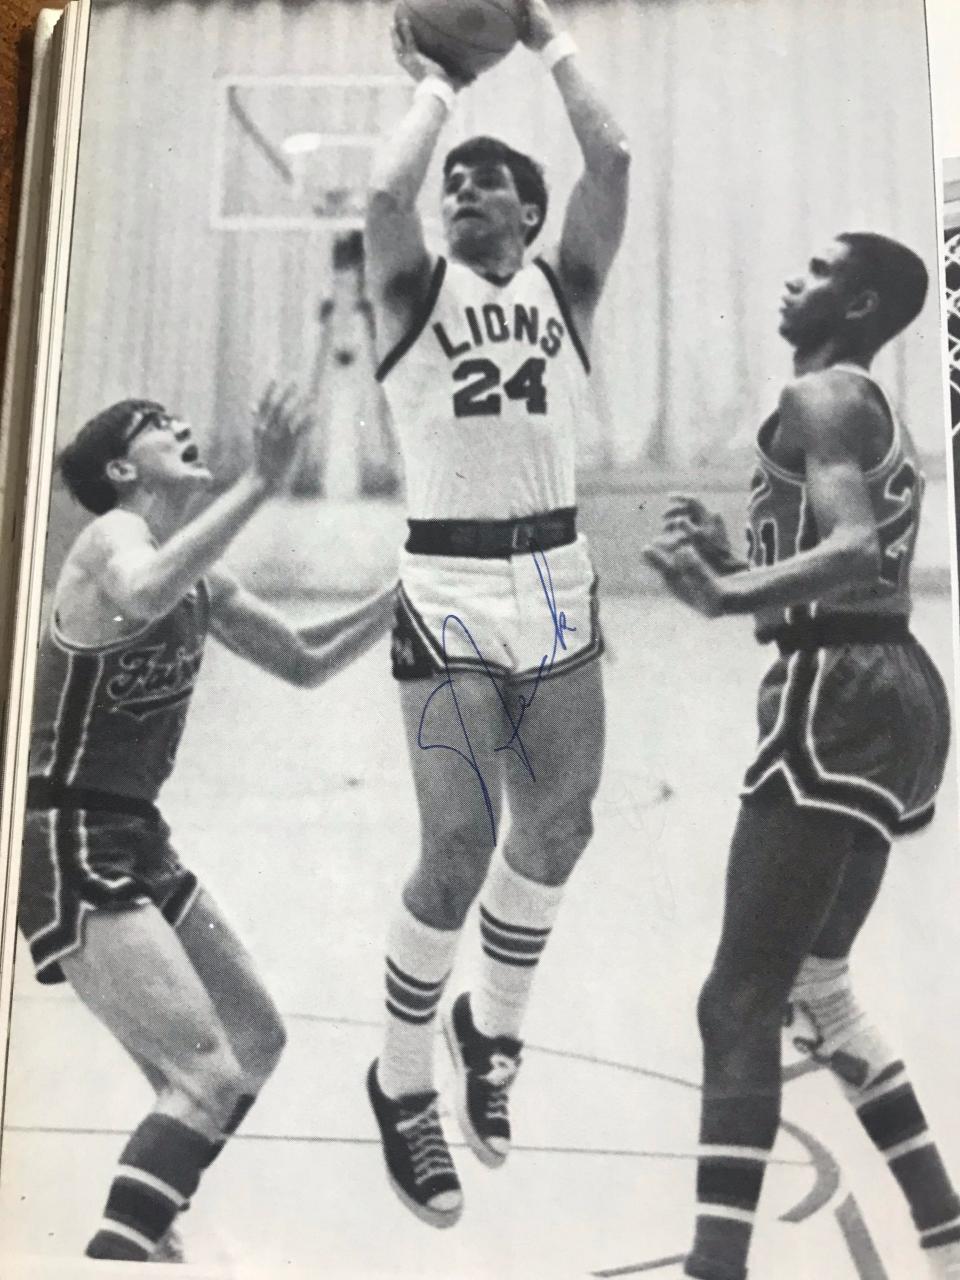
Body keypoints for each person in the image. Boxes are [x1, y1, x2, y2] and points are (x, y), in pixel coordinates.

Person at [644, 233, 960, 1280]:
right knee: (817, 981)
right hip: (896, 688)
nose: (789, 276)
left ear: (859, 302)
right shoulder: (858, 400)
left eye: (817, 269)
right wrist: (737, 557)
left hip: (840, 692)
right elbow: (838, 559)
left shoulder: (824, 392)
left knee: (735, 996)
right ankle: (946, 1224)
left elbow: (857, 546)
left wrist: (726, 593)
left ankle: (715, 1263)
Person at [17, 386, 395, 1262]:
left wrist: (399, 596)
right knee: (207, 1074)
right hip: (64, 832)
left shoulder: (201, 579)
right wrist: (263, 482)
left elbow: (303, 661)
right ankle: (126, 1246)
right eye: (159, 428)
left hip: (135, 833)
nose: (184, 427)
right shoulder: (114, 538)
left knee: (254, 1037)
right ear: (121, 470)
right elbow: (146, 592)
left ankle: (144, 1216)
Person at [362, 0, 630, 1228]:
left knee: (560, 829)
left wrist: (542, 30)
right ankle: (403, 1081)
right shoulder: (414, 289)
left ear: (527, 213)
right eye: (453, 183)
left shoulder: (568, 288)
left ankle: (492, 1031)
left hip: (557, 581)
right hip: (451, 591)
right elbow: (382, 202)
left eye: (486, 184)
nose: (462, 192)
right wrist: (438, 87)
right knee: (458, 851)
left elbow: (613, 159)